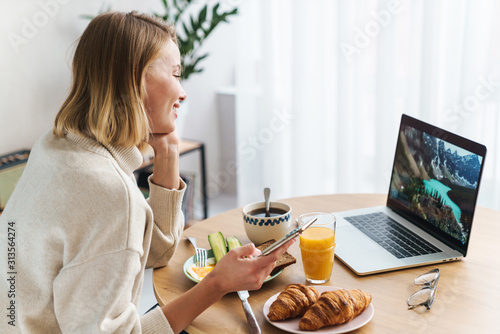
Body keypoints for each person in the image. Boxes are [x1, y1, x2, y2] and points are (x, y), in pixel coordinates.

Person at [0, 11, 294, 334]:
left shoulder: (56, 146)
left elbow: (153, 252)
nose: (183, 92)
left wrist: (167, 153)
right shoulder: (109, 190)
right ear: (137, 81)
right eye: (175, 73)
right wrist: (216, 284)